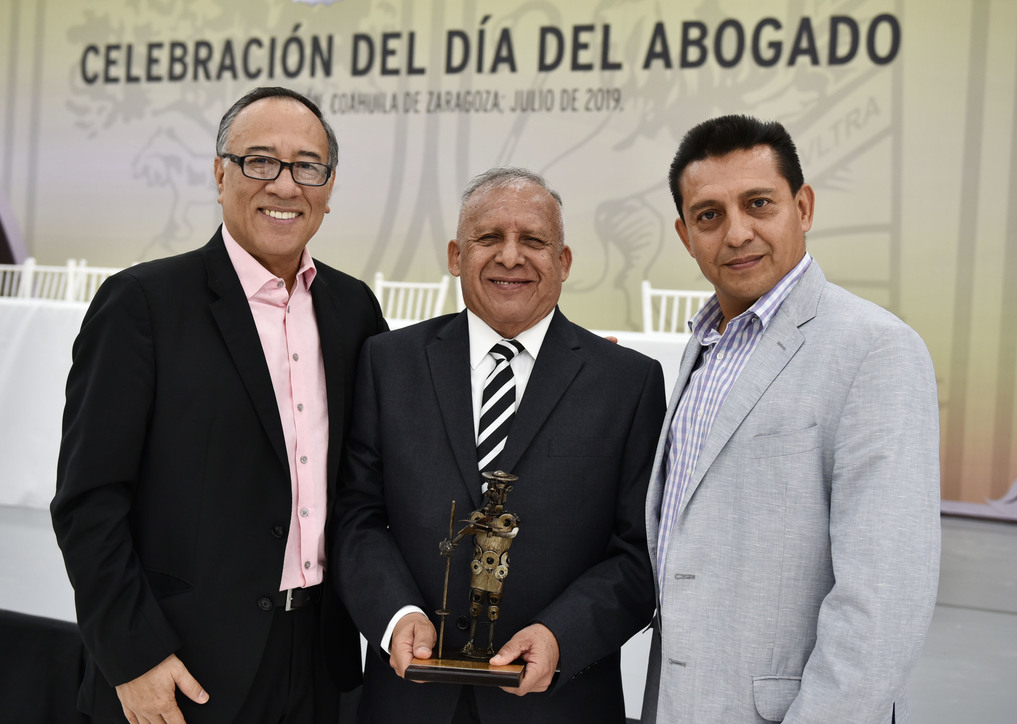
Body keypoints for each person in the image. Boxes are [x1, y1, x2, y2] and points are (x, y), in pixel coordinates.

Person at [50, 86, 386, 724]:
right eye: (260, 161)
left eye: (307, 167)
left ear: (329, 186)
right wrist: (134, 656)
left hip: (322, 662)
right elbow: (89, 502)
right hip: (182, 666)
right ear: (219, 173)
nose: (284, 185)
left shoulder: (354, 310)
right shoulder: (142, 304)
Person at [332, 167, 666, 723]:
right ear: (455, 256)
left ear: (563, 262)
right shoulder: (387, 363)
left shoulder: (629, 383)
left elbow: (640, 552)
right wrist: (394, 616)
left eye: (533, 240)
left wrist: (561, 635)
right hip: (408, 698)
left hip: (558, 704)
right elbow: (356, 517)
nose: (511, 257)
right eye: (488, 238)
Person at [642, 114, 941, 723]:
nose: (736, 233)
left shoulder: (875, 349)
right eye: (709, 215)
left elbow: (883, 599)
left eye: (758, 204)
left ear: (802, 207)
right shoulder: (702, 346)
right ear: (685, 234)